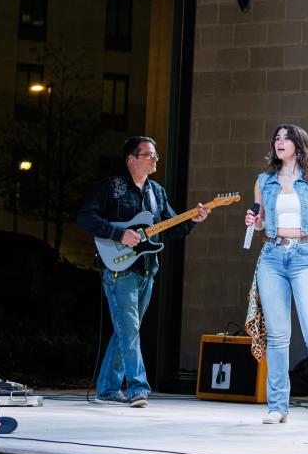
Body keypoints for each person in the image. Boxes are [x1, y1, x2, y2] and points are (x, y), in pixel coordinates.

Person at [76, 136, 209, 408]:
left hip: (147, 269)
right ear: (131, 159)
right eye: (149, 155)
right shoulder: (111, 187)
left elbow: (171, 227)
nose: (155, 159)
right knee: (129, 330)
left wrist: (192, 220)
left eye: (156, 155)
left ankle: (107, 389)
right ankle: (138, 388)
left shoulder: (156, 192)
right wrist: (119, 234)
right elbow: (85, 217)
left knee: (126, 330)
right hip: (119, 269)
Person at [243, 124, 308, 428]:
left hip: (305, 255)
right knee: (278, 335)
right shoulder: (264, 181)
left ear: (299, 144)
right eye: (277, 138)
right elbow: (262, 222)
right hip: (272, 255)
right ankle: (277, 406)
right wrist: (255, 222)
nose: (279, 142)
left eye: (286, 138)